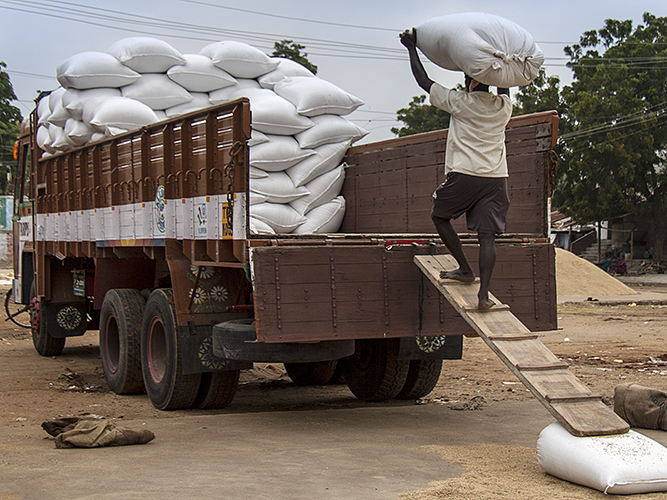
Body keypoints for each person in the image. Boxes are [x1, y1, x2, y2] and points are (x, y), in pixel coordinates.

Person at [400, 28, 513, 310]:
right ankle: (484, 296)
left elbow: (424, 81)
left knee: (440, 216)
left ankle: (465, 269)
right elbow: (505, 87)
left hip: (466, 174)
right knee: (487, 237)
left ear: (470, 82)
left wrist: (411, 48)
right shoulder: (504, 107)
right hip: (497, 178)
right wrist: (501, 67)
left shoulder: (461, 103)